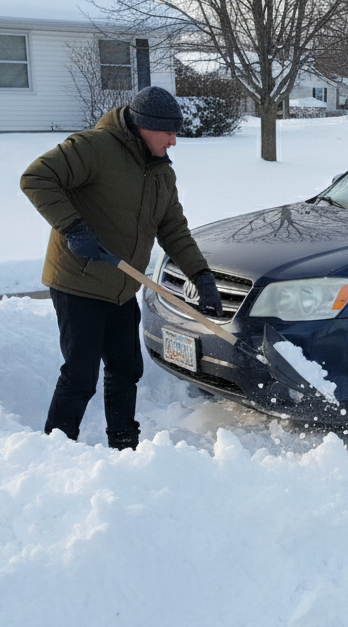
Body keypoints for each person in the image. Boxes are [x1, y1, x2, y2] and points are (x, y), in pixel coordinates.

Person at [21, 86, 222, 450]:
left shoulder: (161, 173)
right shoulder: (94, 148)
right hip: (79, 280)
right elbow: (36, 178)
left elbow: (173, 228)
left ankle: (124, 445)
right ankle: (55, 450)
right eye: (169, 132)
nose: (174, 141)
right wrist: (73, 228)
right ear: (146, 126)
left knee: (126, 370)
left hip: (122, 285)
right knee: (81, 374)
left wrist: (202, 276)